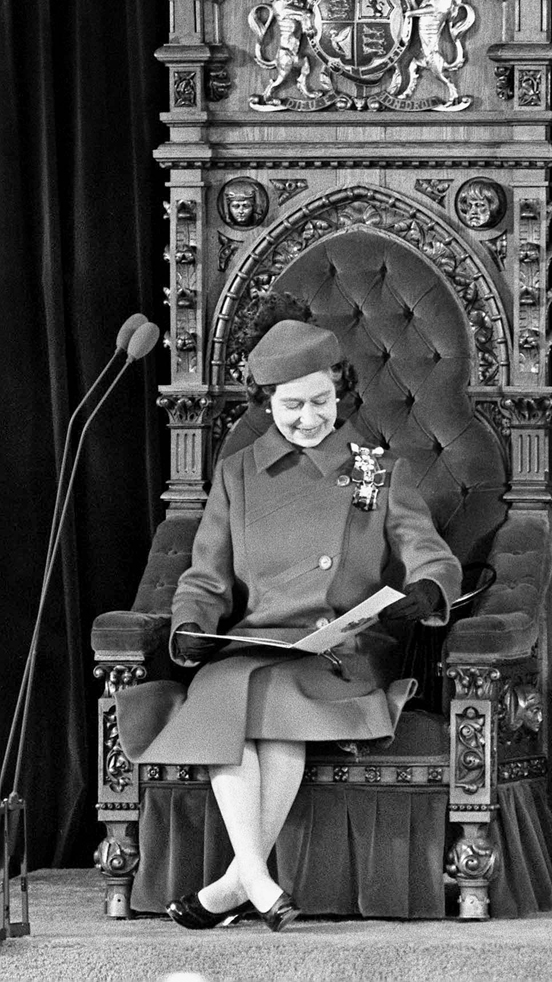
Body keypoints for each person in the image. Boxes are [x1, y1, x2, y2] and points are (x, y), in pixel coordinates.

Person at [116, 320, 462, 932]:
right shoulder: (237, 473)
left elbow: (427, 550)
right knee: (229, 690)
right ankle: (249, 881)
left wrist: (427, 589)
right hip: (257, 641)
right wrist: (191, 627)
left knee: (268, 694)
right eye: (292, 405)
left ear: (342, 392)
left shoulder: (373, 468)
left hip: (341, 648)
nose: (309, 419)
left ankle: (236, 882)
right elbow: (204, 579)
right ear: (265, 401)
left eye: (322, 402)